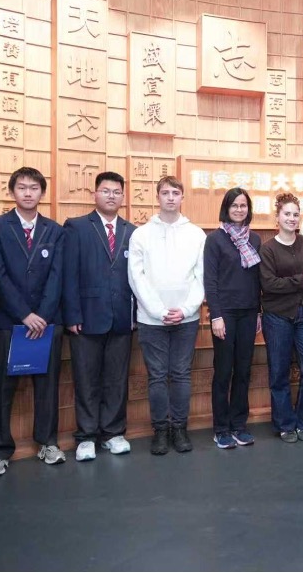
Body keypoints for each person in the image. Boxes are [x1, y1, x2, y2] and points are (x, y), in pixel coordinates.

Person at [0, 167, 65, 476]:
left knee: (48, 385)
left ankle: (48, 443)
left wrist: (41, 315)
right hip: (9, 321)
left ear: (42, 192)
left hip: (47, 321)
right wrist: (24, 314)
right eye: (22, 187)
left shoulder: (55, 230)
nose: (28, 193)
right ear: (12, 191)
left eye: (34, 188)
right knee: (1, 388)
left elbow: (57, 276)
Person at [128, 176, 206, 455]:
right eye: (165, 193)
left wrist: (186, 309)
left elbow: (201, 276)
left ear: (182, 197)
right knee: (157, 376)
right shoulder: (141, 234)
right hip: (152, 320)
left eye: (175, 192)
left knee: (181, 374)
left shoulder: (196, 234)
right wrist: (158, 311)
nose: (170, 197)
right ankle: (160, 430)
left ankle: (180, 428)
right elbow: (136, 277)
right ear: (157, 197)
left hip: (187, 319)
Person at [62, 172, 135, 462]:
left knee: (117, 380)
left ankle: (113, 433)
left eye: (116, 192)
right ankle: (86, 436)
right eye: (106, 191)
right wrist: (71, 314)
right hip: (86, 318)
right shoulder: (77, 227)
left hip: (122, 318)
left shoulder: (132, 231)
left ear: (123, 197)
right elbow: (68, 274)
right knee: (86, 379)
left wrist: (135, 315)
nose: (111, 196)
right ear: (95, 194)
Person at [259, 193, 303, 443]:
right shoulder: (268, 248)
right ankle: (285, 424)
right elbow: (269, 284)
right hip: (277, 317)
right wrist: (301, 280)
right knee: (279, 372)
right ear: (277, 217)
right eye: (287, 214)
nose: (292, 218)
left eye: (296, 214)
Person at [203, 188, 262, 450]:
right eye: (234, 205)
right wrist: (215, 315)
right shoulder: (215, 240)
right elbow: (210, 280)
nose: (239, 210)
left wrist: (258, 311)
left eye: (243, 205)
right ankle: (221, 429)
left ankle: (239, 425)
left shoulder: (255, 239)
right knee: (224, 371)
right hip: (225, 314)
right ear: (226, 208)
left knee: (244, 370)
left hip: (249, 312)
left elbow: (257, 280)